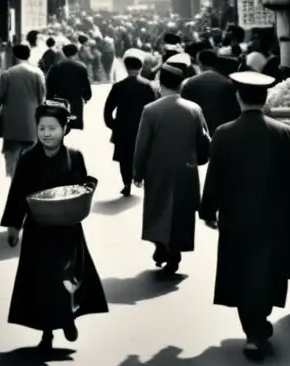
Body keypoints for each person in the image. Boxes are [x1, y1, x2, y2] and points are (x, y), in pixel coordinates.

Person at [199, 70, 290, 362]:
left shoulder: (224, 133)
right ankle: (258, 328)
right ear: (265, 97)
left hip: (236, 218)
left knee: (242, 272)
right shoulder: (282, 133)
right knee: (266, 272)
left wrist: (208, 211)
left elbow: (214, 177)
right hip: (273, 220)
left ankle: (254, 330)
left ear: (238, 97)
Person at [2, 99, 109, 350]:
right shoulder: (28, 158)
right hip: (38, 231)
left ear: (64, 129)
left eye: (52, 128)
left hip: (67, 231)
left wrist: (82, 202)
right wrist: (13, 226)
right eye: (42, 128)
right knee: (42, 282)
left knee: (66, 277)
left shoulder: (75, 156)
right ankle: (47, 332)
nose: (47, 134)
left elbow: (82, 188)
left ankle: (68, 318)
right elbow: (18, 192)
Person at [132, 61, 211, 275]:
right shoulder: (194, 109)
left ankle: (160, 246)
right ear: (181, 85)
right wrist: (199, 159)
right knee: (181, 213)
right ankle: (174, 253)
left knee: (158, 209)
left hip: (157, 171)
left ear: (160, 84)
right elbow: (205, 141)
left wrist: (137, 172)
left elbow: (142, 145)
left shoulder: (151, 110)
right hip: (186, 170)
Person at [103, 51, 157, 196]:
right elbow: (154, 107)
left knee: (124, 158)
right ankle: (142, 180)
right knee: (145, 154)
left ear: (126, 68)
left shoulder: (118, 86)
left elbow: (108, 110)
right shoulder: (148, 86)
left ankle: (126, 184)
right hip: (143, 127)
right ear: (140, 68)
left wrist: (113, 126)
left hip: (123, 128)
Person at [0, 43, 47, 177]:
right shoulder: (37, 73)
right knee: (31, 158)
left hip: (11, 125)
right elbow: (42, 98)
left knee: (12, 158)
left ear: (13, 56)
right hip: (31, 122)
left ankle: (15, 186)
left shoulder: (7, 74)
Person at [180, 49, 240, 135]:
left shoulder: (190, 83)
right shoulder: (228, 81)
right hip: (227, 131)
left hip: (202, 132)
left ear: (200, 64)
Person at [46, 43, 93, 131]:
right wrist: (87, 97)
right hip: (76, 100)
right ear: (75, 53)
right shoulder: (81, 67)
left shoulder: (55, 68)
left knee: (60, 124)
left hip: (60, 99)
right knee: (75, 124)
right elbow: (85, 84)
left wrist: (49, 98)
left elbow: (49, 84)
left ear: (64, 53)